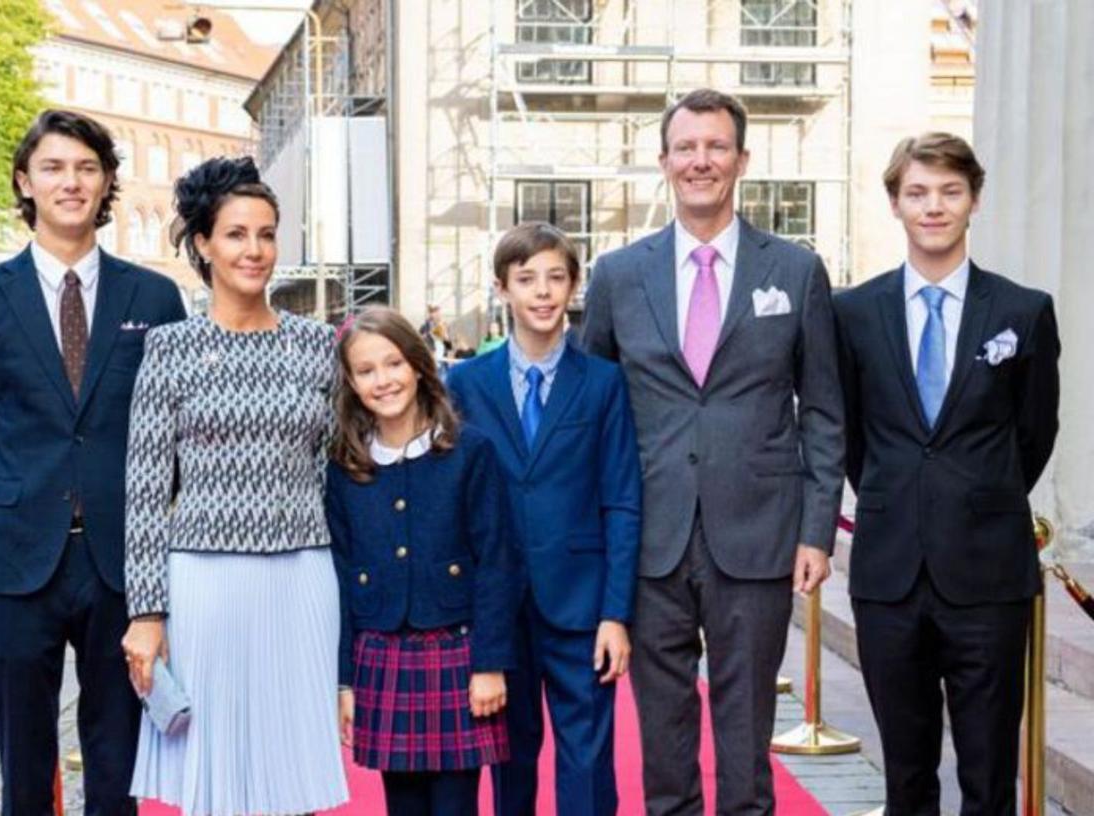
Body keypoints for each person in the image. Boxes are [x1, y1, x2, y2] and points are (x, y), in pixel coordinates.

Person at [580, 88, 845, 816]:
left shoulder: (794, 271)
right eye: (687, 147)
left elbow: (822, 410)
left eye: (716, 146)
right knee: (663, 744)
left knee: (745, 736)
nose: (701, 160)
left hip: (758, 534)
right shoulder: (618, 274)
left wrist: (816, 530)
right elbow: (592, 408)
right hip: (649, 536)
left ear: (742, 159)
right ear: (664, 161)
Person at [0, 109, 187, 814]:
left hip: (119, 568)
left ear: (106, 185)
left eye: (87, 168)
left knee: (118, 765)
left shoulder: (154, 298)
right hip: (13, 566)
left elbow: (177, 438)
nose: (71, 182)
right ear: (25, 183)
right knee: (24, 765)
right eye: (54, 167)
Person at [834, 133, 1060, 816]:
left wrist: (974, 497)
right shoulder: (852, 313)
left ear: (974, 201)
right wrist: (904, 494)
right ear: (896, 204)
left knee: (989, 773)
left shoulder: (1022, 312)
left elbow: (1034, 434)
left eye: (950, 192)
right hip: (889, 572)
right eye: (918, 193)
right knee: (905, 771)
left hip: (989, 574)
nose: (934, 207)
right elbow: (850, 434)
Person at [120, 156, 348, 815]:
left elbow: (341, 467)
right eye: (237, 234)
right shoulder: (170, 348)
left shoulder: (317, 345)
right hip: (205, 584)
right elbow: (143, 493)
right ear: (203, 245)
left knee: (292, 771)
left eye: (267, 233)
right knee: (216, 780)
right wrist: (146, 613)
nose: (256, 250)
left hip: (302, 577)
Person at [448, 222, 641, 816]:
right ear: (502, 289)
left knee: (587, 757)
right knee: (510, 759)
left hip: (581, 604)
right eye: (526, 278)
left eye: (556, 277)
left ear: (574, 286)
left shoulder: (604, 382)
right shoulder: (466, 383)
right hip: (500, 605)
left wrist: (615, 613)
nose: (542, 292)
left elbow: (622, 498)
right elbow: (456, 499)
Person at [328, 307, 520, 816]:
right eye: (365, 371)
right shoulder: (346, 466)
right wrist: (343, 680)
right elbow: (342, 578)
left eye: (393, 364)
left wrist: (490, 665)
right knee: (403, 806)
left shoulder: (468, 452)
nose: (383, 380)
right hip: (381, 654)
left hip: (458, 654)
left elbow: (498, 562)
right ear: (349, 382)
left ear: (418, 365)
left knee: (457, 805)